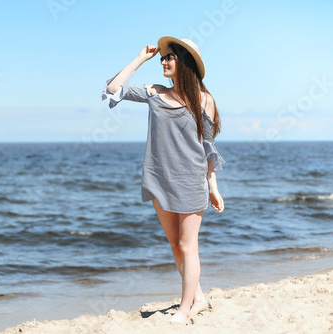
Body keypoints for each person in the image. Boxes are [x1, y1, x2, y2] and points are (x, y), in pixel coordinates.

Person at [101, 36, 225, 324]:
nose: (164, 62)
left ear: (185, 63)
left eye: (169, 57)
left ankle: (184, 310)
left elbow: (208, 148)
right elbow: (112, 89)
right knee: (174, 245)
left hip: (191, 180)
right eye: (162, 58)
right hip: (159, 179)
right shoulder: (155, 92)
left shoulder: (205, 101)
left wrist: (213, 186)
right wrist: (140, 59)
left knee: (187, 246)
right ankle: (199, 298)